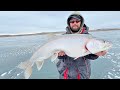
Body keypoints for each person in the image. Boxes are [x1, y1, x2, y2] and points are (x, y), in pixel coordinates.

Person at [56, 12, 107, 79]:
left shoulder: (88, 37)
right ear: (69, 23)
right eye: (72, 21)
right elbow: (58, 56)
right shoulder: (62, 37)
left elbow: (91, 56)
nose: (75, 23)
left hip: (82, 74)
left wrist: (96, 53)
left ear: (81, 22)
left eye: (77, 21)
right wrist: (60, 55)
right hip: (65, 74)